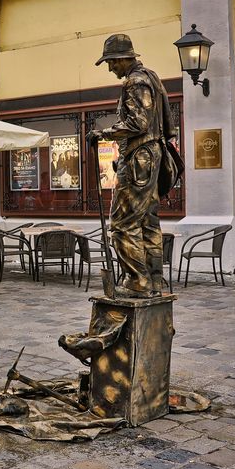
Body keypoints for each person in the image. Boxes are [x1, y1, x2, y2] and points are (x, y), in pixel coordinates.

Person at [86, 33, 174, 298]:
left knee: (122, 223)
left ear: (124, 59)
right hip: (150, 157)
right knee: (148, 221)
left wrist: (104, 134)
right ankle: (155, 280)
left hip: (139, 158)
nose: (111, 68)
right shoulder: (152, 78)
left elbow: (139, 123)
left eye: (112, 63)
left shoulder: (134, 82)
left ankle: (138, 281)